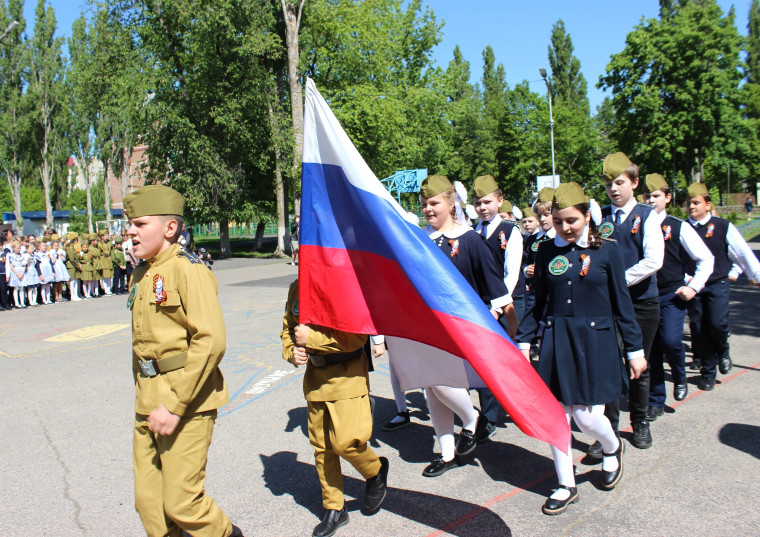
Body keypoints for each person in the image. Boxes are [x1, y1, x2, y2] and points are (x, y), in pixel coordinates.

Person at [516, 182, 645, 515]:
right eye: (558, 221)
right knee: (557, 416)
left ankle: (612, 446)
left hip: (596, 341)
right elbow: (538, 302)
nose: (565, 228)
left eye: (571, 220)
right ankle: (565, 483)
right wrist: (523, 341)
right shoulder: (545, 251)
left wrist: (635, 350)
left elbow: (623, 304)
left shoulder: (608, 251)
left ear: (587, 215)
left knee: (587, 419)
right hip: (558, 340)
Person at [125, 184, 243, 537]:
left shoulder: (187, 270)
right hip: (148, 401)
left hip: (186, 400)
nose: (130, 231)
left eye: (140, 224)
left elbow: (210, 341)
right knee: (150, 505)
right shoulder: (141, 272)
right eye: (130, 224)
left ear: (170, 228)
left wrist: (174, 404)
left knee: (182, 502)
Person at [417, 175, 516, 477]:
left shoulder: (471, 240)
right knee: (431, 391)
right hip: (429, 327)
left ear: (450, 203)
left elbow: (496, 291)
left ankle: (473, 419)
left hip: (461, 328)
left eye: (434, 203)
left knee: (442, 383)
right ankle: (447, 453)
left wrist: (509, 328)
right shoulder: (419, 239)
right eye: (423, 205)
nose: (428, 210)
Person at [281, 279, 388, 537]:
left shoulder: (345, 285)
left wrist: (312, 339)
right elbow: (288, 328)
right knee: (323, 448)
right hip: (316, 380)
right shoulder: (298, 287)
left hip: (347, 377)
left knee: (346, 443)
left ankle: (375, 470)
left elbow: (356, 337)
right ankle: (335, 508)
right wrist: (290, 351)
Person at [595, 152, 664, 452]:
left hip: (641, 304)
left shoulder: (647, 216)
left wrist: (618, 281)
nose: (614, 189)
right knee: (609, 366)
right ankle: (607, 433)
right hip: (608, 305)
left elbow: (653, 260)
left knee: (639, 365)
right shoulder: (602, 219)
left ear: (634, 183)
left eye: (620, 182)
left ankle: (639, 422)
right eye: (609, 183)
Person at [643, 174, 714, 415]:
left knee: (672, 341)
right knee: (651, 350)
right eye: (647, 196)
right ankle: (655, 400)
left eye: (656, 196)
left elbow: (706, 258)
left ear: (667, 198)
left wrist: (693, 287)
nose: (651, 200)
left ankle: (680, 375)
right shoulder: (638, 223)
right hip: (645, 296)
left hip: (671, 295)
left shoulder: (677, 226)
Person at [685, 182, 760, 391]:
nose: (692, 207)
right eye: (689, 203)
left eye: (696, 203)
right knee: (699, 330)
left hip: (717, 283)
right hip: (694, 286)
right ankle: (708, 373)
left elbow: (742, 251)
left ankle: (723, 349)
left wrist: (757, 274)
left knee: (717, 324)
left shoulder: (722, 226)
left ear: (707, 205)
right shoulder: (683, 227)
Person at [472, 175, 524, 434]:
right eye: (478, 202)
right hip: (483, 306)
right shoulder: (473, 232)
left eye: (487, 202)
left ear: (500, 201)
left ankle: (519, 404)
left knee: (509, 361)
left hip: (507, 306)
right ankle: (489, 417)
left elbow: (510, 275)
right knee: (487, 362)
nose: (482, 207)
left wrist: (497, 307)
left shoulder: (510, 231)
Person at [6, 242, 27, 308]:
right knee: (16, 288)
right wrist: (17, 274)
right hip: (15, 272)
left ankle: (22, 302)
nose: (18, 249)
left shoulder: (22, 255)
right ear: (13, 248)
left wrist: (22, 273)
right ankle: (17, 303)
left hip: (21, 272)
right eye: (17, 248)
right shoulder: (11, 255)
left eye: (19, 248)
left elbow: (24, 265)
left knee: (22, 288)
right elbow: (11, 266)